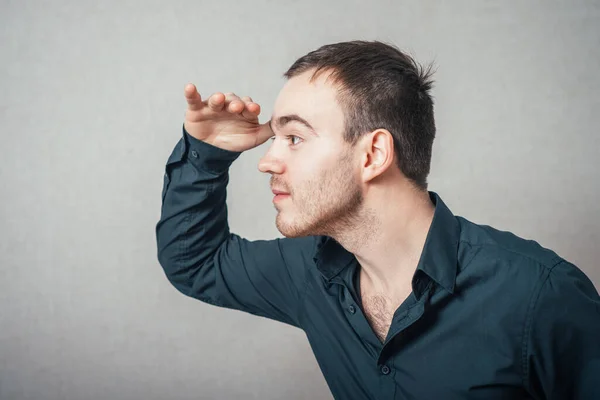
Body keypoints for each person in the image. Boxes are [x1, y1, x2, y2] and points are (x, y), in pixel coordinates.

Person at [155, 40, 600, 399]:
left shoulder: (538, 295)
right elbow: (196, 263)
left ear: (373, 154)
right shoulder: (308, 271)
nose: (266, 162)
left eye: (293, 138)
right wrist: (206, 154)